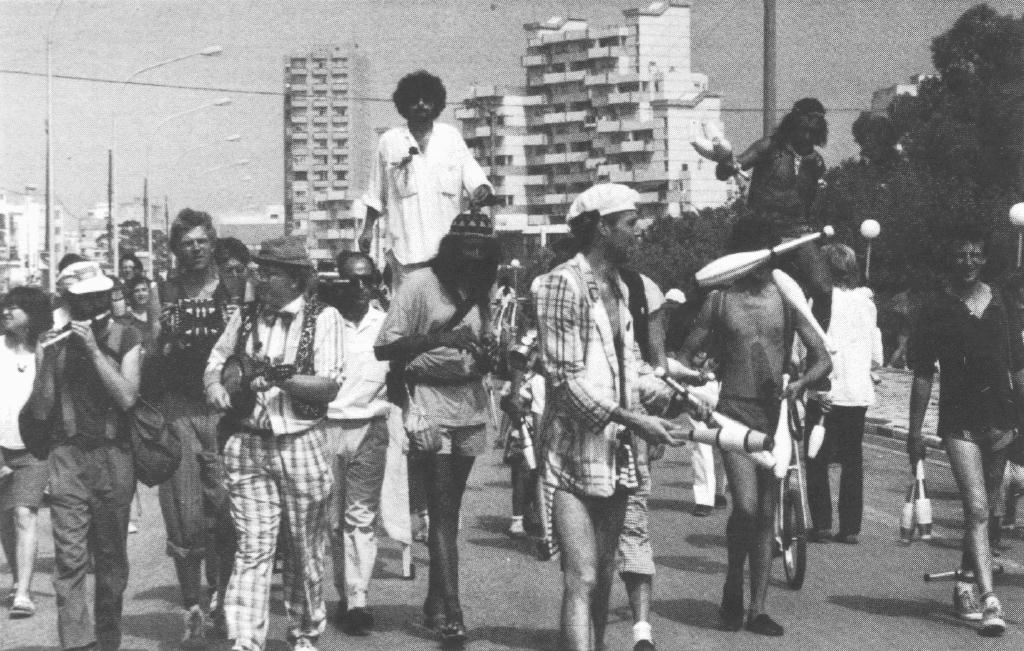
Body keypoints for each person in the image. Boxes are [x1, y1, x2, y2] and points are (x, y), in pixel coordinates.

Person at [533, 184, 689, 651]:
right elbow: (564, 382)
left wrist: (673, 392)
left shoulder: (622, 287)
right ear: (602, 227)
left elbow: (629, 365)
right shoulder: (561, 284)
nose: (638, 232)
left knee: (602, 576)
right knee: (580, 576)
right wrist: (635, 420)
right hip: (571, 451)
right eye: (630, 223)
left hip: (616, 453)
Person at [679, 219, 831, 637]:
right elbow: (686, 354)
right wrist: (696, 378)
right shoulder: (720, 300)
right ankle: (733, 583)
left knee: (766, 514)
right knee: (745, 508)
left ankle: (757, 608)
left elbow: (822, 358)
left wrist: (800, 383)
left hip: (773, 416)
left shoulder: (786, 298)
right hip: (732, 413)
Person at [205, 236, 343, 651]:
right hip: (248, 442)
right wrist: (215, 386)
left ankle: (304, 633)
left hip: (301, 442)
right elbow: (217, 360)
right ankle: (246, 639)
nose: (259, 279)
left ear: (296, 279)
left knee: (304, 548)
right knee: (253, 546)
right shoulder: (245, 316)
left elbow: (328, 385)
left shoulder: (324, 318)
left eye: (269, 273)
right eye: (258, 271)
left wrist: (280, 378)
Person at [374, 210, 500, 644]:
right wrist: (441, 339)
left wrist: (487, 355)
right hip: (428, 403)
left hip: (469, 404)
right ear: (451, 247)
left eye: (482, 249)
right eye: (467, 248)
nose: (474, 255)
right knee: (443, 513)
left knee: (450, 512)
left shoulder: (480, 287)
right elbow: (384, 348)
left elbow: (482, 344)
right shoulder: (419, 284)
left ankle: (433, 604)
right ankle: (453, 611)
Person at [907, 226, 1024, 637]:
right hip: (959, 421)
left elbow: (1018, 367)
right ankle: (990, 600)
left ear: (986, 258)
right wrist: (914, 432)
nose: (969, 262)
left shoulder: (1002, 303)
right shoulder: (936, 308)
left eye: (976, 254)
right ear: (950, 259)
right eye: (961, 254)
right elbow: (923, 374)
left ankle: (963, 585)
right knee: (976, 509)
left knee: (986, 513)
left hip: (1001, 418)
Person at [31, 260, 144, 651]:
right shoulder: (52, 342)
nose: (93, 305)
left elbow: (127, 397)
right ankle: (77, 643)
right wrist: (47, 362)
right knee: (70, 559)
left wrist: (94, 351)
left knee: (111, 559)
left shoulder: (127, 336)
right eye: (82, 299)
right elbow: (41, 410)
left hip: (113, 456)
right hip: (67, 457)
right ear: (68, 301)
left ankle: (108, 638)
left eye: (99, 296)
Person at [156, 209, 239, 645]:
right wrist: (163, 337)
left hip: (223, 411)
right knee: (184, 514)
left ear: (212, 243)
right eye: (186, 243)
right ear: (176, 248)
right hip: (179, 409)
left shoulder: (233, 286)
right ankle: (192, 605)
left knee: (225, 511)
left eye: (201, 241)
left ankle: (223, 599)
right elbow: (157, 346)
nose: (194, 249)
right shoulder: (166, 289)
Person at [359, 70, 493, 290]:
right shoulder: (389, 142)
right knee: (407, 310)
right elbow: (375, 193)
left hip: (447, 255)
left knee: (447, 308)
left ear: (436, 103)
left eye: (426, 99)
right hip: (405, 253)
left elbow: (474, 175)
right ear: (404, 104)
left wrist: (481, 189)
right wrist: (366, 230)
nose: (421, 104)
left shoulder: (450, 138)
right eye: (414, 100)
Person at [320, 251, 391, 637]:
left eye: (368, 279)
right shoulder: (323, 322)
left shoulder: (387, 323)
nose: (361, 287)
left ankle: (358, 599)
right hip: (326, 428)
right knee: (332, 521)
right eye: (352, 280)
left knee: (360, 517)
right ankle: (342, 594)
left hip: (369, 428)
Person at [717, 98, 833, 329]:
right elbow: (726, 170)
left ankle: (815, 345)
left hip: (797, 231)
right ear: (793, 123)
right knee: (730, 286)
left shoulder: (817, 163)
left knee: (823, 289)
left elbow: (809, 204)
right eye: (803, 129)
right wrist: (727, 165)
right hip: (759, 230)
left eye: (812, 132)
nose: (807, 136)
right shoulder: (769, 147)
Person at [803, 244, 883, 544]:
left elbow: (807, 346)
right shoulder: (867, 302)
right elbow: (876, 354)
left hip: (826, 390)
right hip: (857, 392)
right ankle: (850, 528)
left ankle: (821, 523)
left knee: (816, 459)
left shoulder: (820, 301)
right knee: (852, 460)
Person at [0, 286, 53, 619]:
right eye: (5, 306)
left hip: (34, 448)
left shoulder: (45, 352)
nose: (7, 311)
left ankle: (23, 593)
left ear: (32, 315)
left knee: (24, 513)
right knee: (5, 520)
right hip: (0, 446)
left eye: (15, 307)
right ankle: (18, 579)